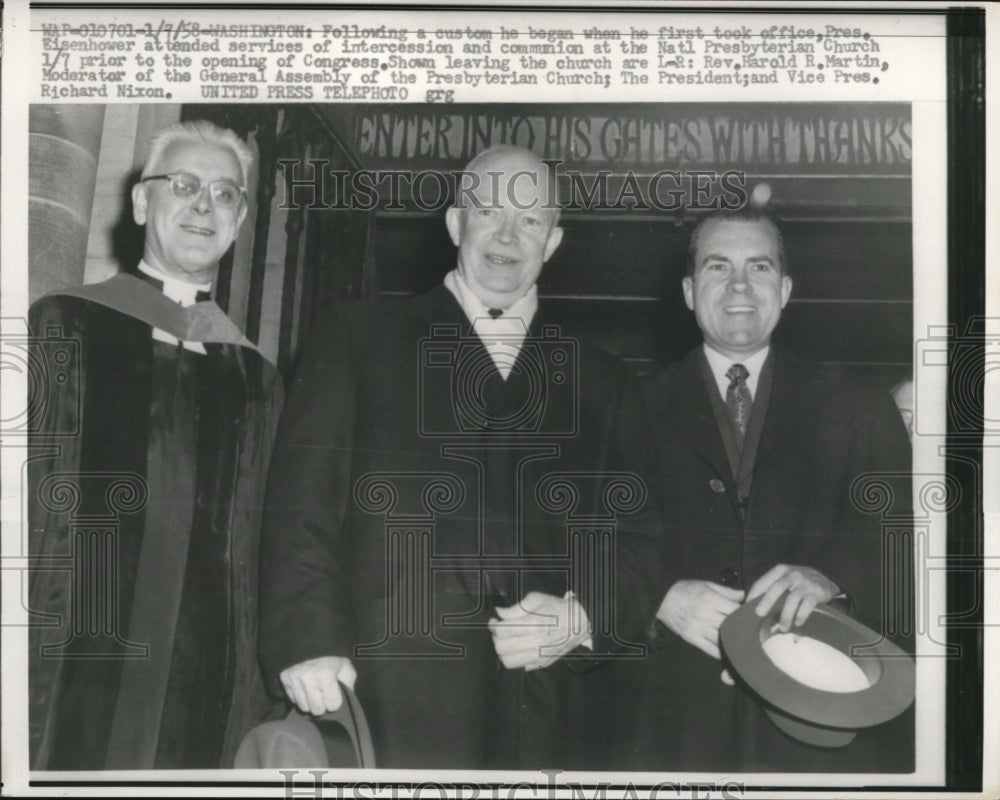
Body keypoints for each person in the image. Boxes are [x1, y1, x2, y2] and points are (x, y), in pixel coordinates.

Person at [259, 145, 661, 769]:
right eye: (489, 211)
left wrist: (583, 619)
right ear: (454, 223)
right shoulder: (356, 337)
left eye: (530, 221)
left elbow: (642, 542)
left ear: (552, 242)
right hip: (385, 694)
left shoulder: (605, 383)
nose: (507, 234)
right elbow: (300, 508)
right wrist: (307, 639)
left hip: (549, 716)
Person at [614, 208, 913, 772]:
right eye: (717, 266)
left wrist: (833, 579)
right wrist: (656, 597)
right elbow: (592, 547)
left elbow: (905, 557)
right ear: (687, 290)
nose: (739, 286)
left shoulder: (861, 409)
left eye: (759, 266)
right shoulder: (624, 407)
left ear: (786, 288)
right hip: (673, 732)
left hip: (819, 729)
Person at [28, 120, 283, 770]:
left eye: (226, 194)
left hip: (202, 669)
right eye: (185, 185)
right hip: (68, 648)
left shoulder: (255, 375)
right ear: (143, 202)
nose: (205, 205)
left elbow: (255, 548)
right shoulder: (66, 325)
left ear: (241, 219)